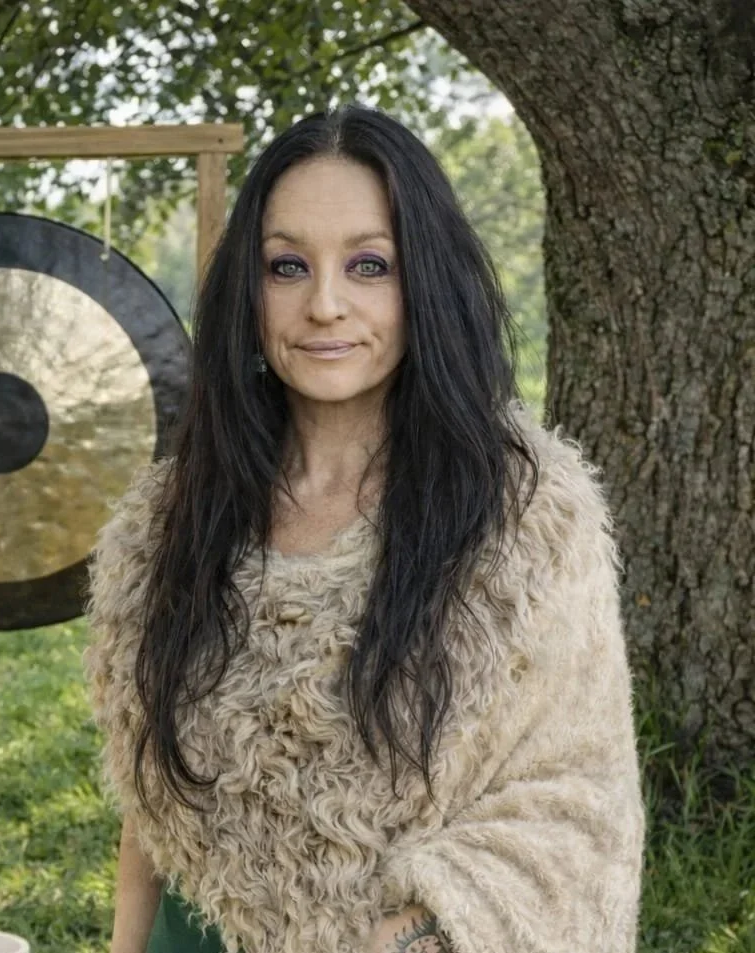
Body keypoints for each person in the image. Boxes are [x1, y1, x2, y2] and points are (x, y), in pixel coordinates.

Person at [83, 104, 645, 953]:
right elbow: (147, 802)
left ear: (425, 282)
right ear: (249, 287)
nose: (326, 304)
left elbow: (579, 805)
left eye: (370, 264)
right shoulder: (168, 521)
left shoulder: (526, 518)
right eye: (287, 266)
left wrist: (406, 936)